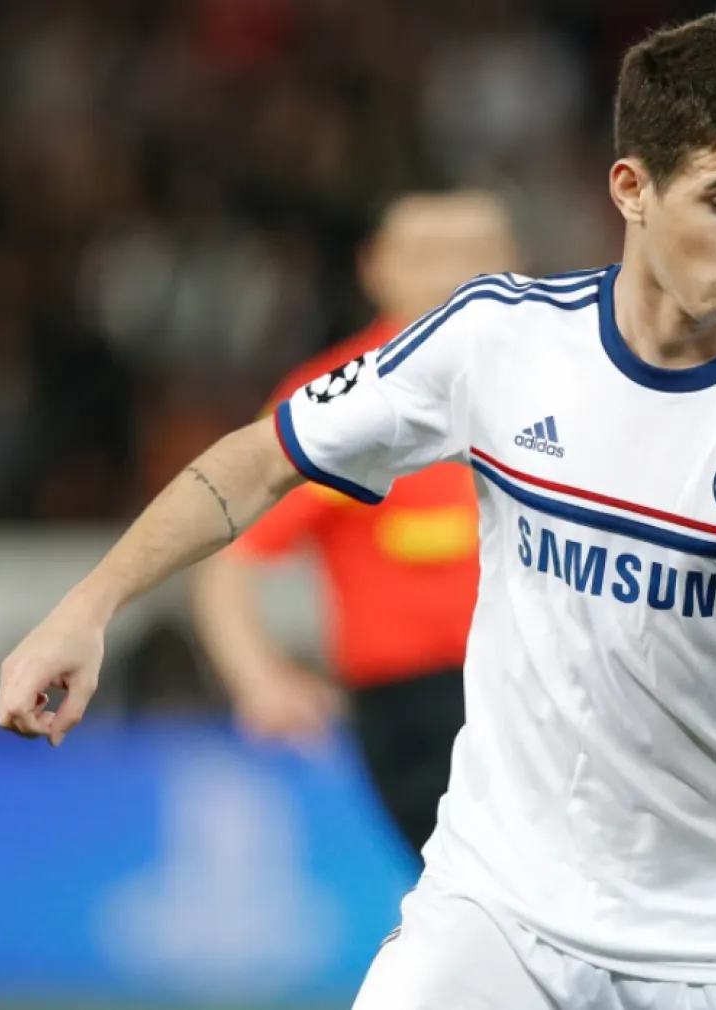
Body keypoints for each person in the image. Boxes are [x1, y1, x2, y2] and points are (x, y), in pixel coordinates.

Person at [0, 15, 716, 1010]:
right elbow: (261, 459)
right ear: (631, 186)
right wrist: (88, 605)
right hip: (498, 906)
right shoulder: (497, 341)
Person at [191, 191, 519, 856]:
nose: (450, 275)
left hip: (549, 685)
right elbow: (229, 550)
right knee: (492, 900)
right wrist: (257, 677)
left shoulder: (562, 380)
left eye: (473, 254)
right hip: (419, 712)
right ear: (377, 268)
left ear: (515, 264)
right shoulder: (336, 400)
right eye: (428, 255)